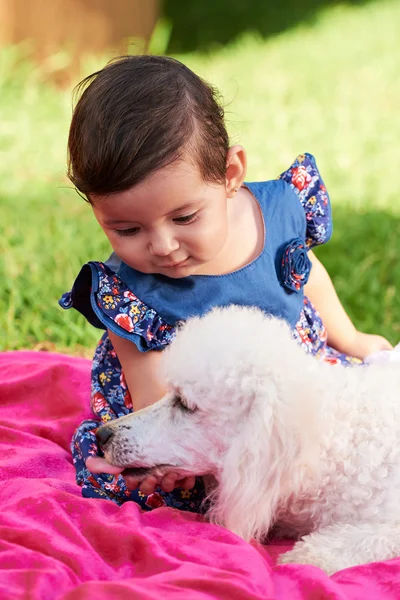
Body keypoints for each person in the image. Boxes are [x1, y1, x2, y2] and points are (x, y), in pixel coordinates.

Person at [60, 54, 392, 511]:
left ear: (231, 174)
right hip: (179, 408)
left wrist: (350, 337)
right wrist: (170, 462)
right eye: (127, 230)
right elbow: (153, 396)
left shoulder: (274, 214)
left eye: (184, 217)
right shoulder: (130, 293)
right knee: (180, 489)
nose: (163, 245)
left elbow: (306, 276)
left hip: (281, 374)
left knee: (336, 432)